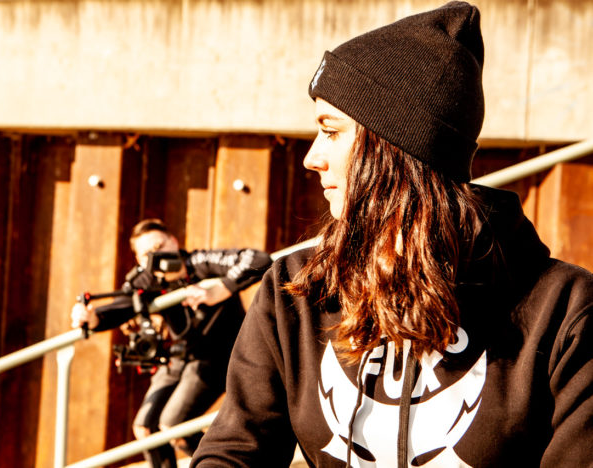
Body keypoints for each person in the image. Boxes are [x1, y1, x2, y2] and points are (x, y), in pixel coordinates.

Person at [191, 2, 593, 467]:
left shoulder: (562, 308)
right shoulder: (298, 291)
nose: (311, 158)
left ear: (393, 150)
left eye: (331, 132)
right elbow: (235, 449)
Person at [71, 218, 272, 468]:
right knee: (145, 428)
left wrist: (219, 290)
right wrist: (93, 318)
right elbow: (121, 306)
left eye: (159, 246)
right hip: (181, 356)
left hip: (220, 356)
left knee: (174, 426)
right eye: (146, 254)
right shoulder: (146, 280)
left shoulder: (199, 261)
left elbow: (258, 259)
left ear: (174, 242)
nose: (155, 256)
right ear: (138, 260)